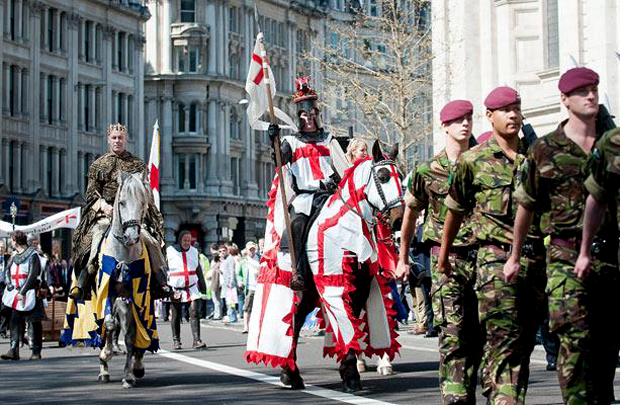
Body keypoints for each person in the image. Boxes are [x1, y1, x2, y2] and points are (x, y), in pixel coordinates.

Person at [506, 67, 619, 403]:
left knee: (605, 354)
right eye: (582, 91)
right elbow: (526, 205)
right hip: (565, 258)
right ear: (565, 99)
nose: (591, 96)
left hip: (610, 258)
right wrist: (514, 256)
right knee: (573, 347)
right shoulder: (545, 149)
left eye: (594, 90)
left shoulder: (612, 144)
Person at [438, 87, 546, 403]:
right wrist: (443, 256)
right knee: (504, 340)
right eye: (505, 109)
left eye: (517, 108)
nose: (513, 115)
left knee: (523, 345)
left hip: (535, 266)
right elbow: (454, 213)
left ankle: (498, 386)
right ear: (490, 116)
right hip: (494, 264)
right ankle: (501, 395)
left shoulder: (535, 159)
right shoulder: (473, 162)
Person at [396, 99, 481, 403]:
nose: (465, 124)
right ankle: (455, 396)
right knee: (453, 332)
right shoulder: (427, 170)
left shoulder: (485, 164)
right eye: (458, 120)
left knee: (481, 335)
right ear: (445, 126)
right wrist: (402, 257)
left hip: (484, 257)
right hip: (446, 260)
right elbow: (409, 214)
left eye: (469, 118)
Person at [69, 123, 167, 301]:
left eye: (120, 138)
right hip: (106, 215)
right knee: (93, 239)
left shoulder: (137, 165)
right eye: (114, 138)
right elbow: (91, 194)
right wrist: (104, 206)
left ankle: (160, 281)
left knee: (151, 241)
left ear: (125, 140)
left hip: (132, 215)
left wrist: (141, 210)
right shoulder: (98, 165)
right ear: (108, 140)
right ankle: (84, 281)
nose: (117, 141)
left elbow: (145, 191)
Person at [268, 77, 339, 291]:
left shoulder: (329, 139)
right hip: (306, 197)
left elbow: (340, 167)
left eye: (312, 114)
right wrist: (273, 140)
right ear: (299, 117)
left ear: (317, 115)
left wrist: (335, 181)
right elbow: (278, 160)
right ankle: (297, 271)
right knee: (296, 224)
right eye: (304, 115)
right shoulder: (291, 142)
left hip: (329, 194)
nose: (309, 118)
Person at [1, 231, 44, 360]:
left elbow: (32, 275)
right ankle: (13, 350)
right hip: (16, 293)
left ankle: (36, 351)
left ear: (16, 240)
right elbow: (7, 271)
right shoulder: (14, 255)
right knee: (14, 321)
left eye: (12, 240)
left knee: (34, 322)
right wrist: (9, 284)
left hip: (31, 293)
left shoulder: (33, 255)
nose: (11, 243)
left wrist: (23, 291)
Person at [166, 230, 207, 350]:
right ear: (180, 240)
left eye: (189, 240)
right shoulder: (170, 251)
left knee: (194, 312)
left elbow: (198, 269)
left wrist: (203, 285)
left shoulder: (194, 251)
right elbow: (163, 268)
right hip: (176, 289)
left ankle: (197, 340)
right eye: (185, 240)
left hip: (192, 288)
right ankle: (176, 341)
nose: (187, 243)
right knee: (176, 315)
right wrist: (164, 285)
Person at [241, 248, 260, 334]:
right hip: (249, 287)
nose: (252, 251)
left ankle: (256, 326)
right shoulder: (244, 260)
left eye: (253, 250)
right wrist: (241, 281)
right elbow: (239, 272)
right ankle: (246, 326)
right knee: (247, 308)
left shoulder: (259, 258)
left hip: (259, 286)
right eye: (250, 250)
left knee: (258, 308)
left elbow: (263, 268)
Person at [221, 244, 239, 324]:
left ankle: (232, 317)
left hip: (230, 284)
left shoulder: (230, 259)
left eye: (224, 250)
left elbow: (232, 271)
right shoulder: (225, 259)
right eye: (220, 251)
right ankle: (232, 316)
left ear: (227, 250)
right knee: (229, 301)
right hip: (226, 284)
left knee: (231, 301)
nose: (222, 252)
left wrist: (231, 282)